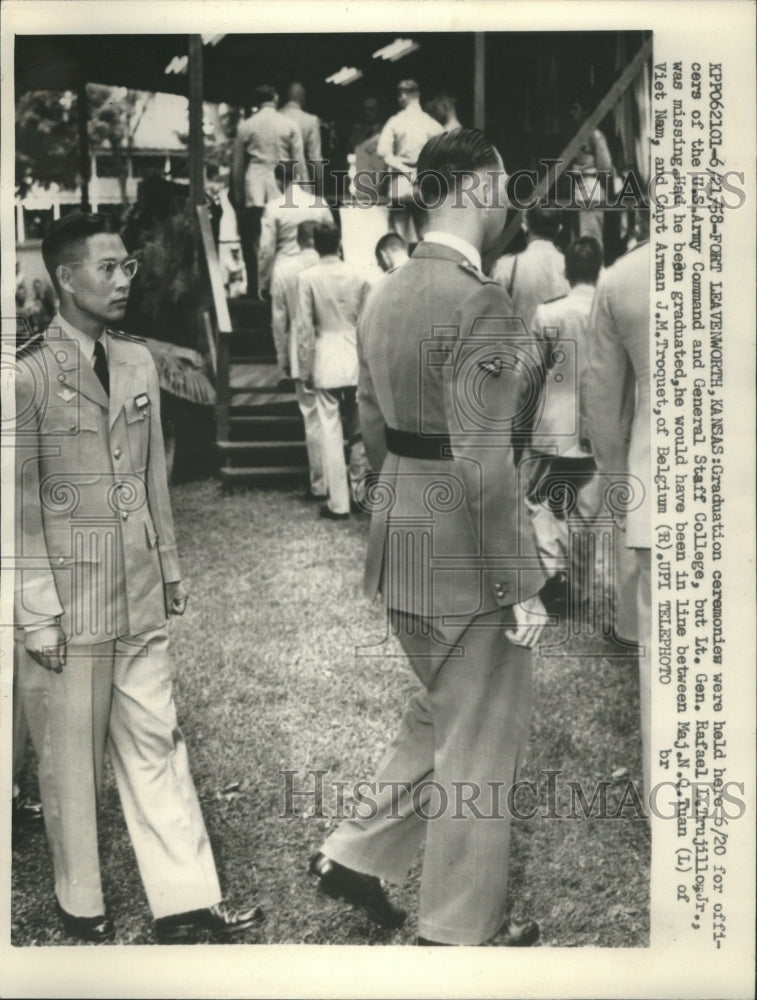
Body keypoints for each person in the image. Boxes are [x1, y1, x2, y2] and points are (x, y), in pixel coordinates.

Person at [308, 129, 547, 946]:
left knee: (437, 711)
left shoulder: (387, 291)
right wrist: (521, 583)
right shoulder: (481, 302)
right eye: (504, 185)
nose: (509, 201)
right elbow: (484, 466)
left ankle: (355, 855)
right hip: (465, 556)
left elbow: (372, 428)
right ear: (475, 190)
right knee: (479, 743)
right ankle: (453, 933)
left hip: (401, 540)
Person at [14, 212, 262, 943]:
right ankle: (79, 900)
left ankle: (185, 901)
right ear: (65, 277)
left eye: (127, 267)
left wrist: (174, 567)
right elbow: (18, 505)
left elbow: (155, 477)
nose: (125, 279)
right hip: (67, 600)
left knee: (158, 740)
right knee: (68, 760)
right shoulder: (27, 374)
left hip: (137, 592)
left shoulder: (136, 362)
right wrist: (35, 610)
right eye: (108, 267)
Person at [582, 212, 650, 792]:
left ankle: (671, 804)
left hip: (656, 491)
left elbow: (603, 409)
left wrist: (617, 483)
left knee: (662, 665)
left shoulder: (624, 277)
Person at [525, 236, 603, 612]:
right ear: (600, 268)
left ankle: (553, 573)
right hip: (595, 422)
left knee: (540, 499)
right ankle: (582, 590)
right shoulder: (608, 310)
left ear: (566, 271)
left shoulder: (548, 313)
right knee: (586, 512)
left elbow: (533, 370)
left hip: (553, 423)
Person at [296, 222, 370, 521]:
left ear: (315, 245)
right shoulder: (359, 275)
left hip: (325, 358)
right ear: (339, 242)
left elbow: (304, 328)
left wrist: (304, 367)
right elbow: (367, 321)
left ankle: (338, 502)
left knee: (329, 430)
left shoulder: (308, 278)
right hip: (355, 354)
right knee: (358, 429)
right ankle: (362, 493)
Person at [231, 84, 305, 296]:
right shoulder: (289, 124)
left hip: (253, 185)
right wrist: (304, 190)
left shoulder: (246, 125)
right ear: (275, 97)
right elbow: (298, 160)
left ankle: (255, 287)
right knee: (279, 237)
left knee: (254, 238)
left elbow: (237, 164)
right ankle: (276, 285)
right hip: (279, 185)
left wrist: (237, 194)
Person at [271, 220, 327, 501]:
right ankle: (347, 483)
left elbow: (279, 322)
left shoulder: (283, 270)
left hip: (299, 348)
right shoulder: (339, 267)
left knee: (312, 418)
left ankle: (320, 483)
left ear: (298, 239)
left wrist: (283, 361)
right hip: (335, 348)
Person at [376, 80, 443, 243]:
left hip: (400, 183)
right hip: (423, 184)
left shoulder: (395, 121)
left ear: (403, 95)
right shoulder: (431, 123)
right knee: (426, 234)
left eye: (399, 96)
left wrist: (404, 169)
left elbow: (382, 152)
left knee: (399, 236)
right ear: (418, 95)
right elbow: (443, 153)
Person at [490, 204, 570, 333]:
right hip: (559, 350)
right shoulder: (571, 266)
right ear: (559, 229)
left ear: (525, 226)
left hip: (519, 350)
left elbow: (495, 317)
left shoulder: (506, 266)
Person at [257, 177, 332, 298]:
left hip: (285, 269)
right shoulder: (319, 203)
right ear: (297, 177)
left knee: (281, 315)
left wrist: (263, 281)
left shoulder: (272, 207)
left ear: (278, 181)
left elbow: (267, 249)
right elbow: (331, 236)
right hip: (316, 267)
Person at [561, 95, 613, 247]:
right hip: (577, 185)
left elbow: (605, 166)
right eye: (571, 109)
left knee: (590, 235)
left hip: (590, 184)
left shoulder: (595, 134)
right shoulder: (576, 133)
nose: (572, 113)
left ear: (585, 111)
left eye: (576, 109)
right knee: (577, 236)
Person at [280, 82, 323, 184]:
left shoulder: (275, 116)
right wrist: (319, 182)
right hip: (300, 175)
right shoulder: (311, 120)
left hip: (277, 177)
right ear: (302, 98)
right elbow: (315, 156)